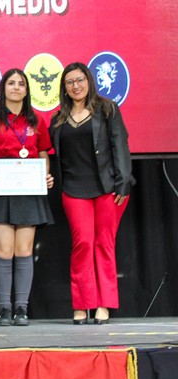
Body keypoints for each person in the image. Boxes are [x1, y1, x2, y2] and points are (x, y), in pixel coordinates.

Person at [49, 62, 134, 325]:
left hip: (108, 189)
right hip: (74, 190)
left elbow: (120, 145)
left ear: (89, 81)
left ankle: (104, 305)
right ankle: (82, 305)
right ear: (64, 87)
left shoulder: (107, 109)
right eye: (70, 82)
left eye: (80, 80)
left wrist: (123, 182)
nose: (75, 86)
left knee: (104, 244)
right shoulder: (57, 120)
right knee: (83, 244)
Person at [0, 68, 54, 327]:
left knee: (24, 250)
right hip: (1, 192)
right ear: (3, 89)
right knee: (4, 251)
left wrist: (45, 176)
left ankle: (21, 309)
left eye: (21, 84)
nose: (16, 87)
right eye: (11, 83)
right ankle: (4, 309)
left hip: (29, 191)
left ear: (27, 90)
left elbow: (44, 154)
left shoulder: (37, 120)